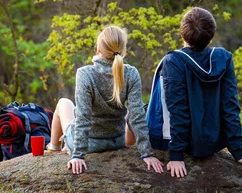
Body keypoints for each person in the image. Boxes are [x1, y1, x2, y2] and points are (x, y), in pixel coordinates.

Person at [146, 7, 242, 178]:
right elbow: (230, 106)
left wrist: (176, 155)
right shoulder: (223, 58)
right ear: (211, 37)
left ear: (182, 34)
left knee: (132, 114)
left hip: (182, 143)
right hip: (213, 141)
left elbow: (177, 109)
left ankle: (129, 149)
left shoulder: (173, 61)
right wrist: (239, 152)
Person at [47, 25, 164, 175]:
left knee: (64, 103)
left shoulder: (85, 74)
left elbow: (83, 116)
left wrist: (78, 155)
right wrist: (146, 153)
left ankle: (54, 147)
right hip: (117, 141)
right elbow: (137, 116)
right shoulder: (131, 73)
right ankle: (61, 147)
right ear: (124, 51)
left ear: (98, 49)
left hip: (90, 144)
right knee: (135, 110)